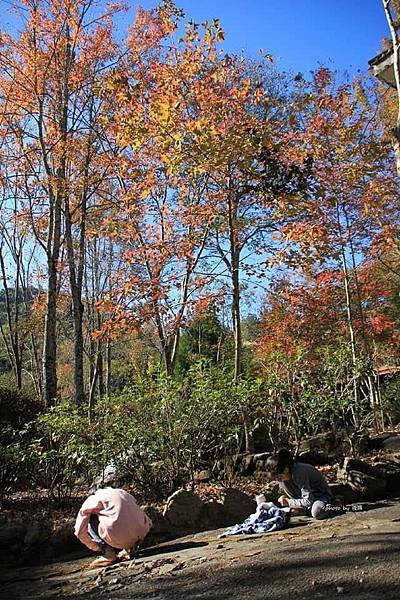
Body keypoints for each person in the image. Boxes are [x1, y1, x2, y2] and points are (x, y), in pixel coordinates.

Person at [74, 487, 152, 568]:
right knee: (123, 511)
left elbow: (79, 531)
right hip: (140, 533)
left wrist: (97, 547)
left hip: (117, 536)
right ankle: (129, 549)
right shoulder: (123, 492)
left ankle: (109, 553)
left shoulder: (93, 499)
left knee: (89, 518)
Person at [265, 448, 341, 520]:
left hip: (319, 497)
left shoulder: (299, 472)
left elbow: (308, 501)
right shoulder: (283, 478)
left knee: (317, 512)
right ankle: (306, 510)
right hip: (303, 500)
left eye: (278, 477)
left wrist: (288, 502)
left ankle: (336, 506)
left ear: (286, 469)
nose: (278, 480)